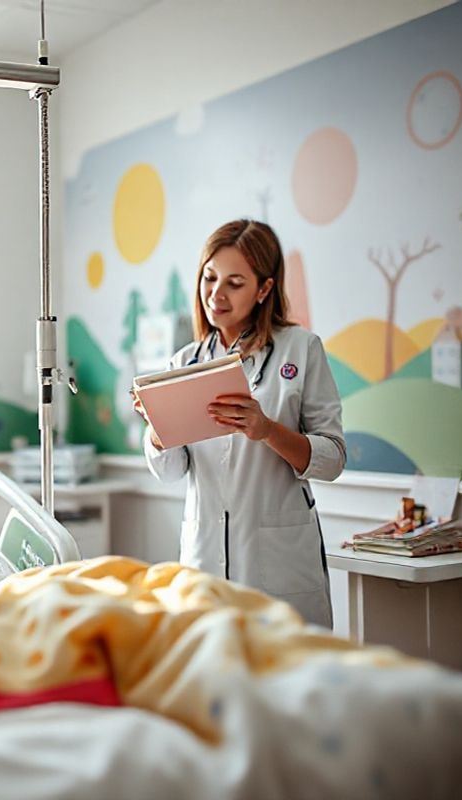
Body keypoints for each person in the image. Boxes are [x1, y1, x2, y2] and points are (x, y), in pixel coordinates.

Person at [132, 219, 345, 628]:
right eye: (209, 278)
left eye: (234, 282)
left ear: (264, 289)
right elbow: (172, 471)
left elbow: (332, 458)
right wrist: (157, 428)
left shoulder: (301, 350)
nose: (216, 294)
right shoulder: (184, 363)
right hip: (204, 558)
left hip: (280, 565)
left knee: (285, 679)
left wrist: (266, 430)